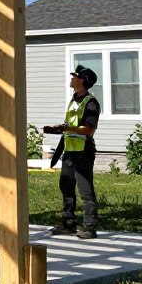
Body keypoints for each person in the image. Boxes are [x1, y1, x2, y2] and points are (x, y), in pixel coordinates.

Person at [44, 64, 101, 239]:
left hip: (83, 151)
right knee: (66, 186)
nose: (71, 79)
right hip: (69, 151)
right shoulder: (74, 100)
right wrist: (60, 129)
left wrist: (69, 128)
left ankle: (90, 227)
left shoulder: (90, 103)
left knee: (85, 189)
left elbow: (88, 129)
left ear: (83, 80)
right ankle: (68, 224)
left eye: (75, 76)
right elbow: (72, 126)